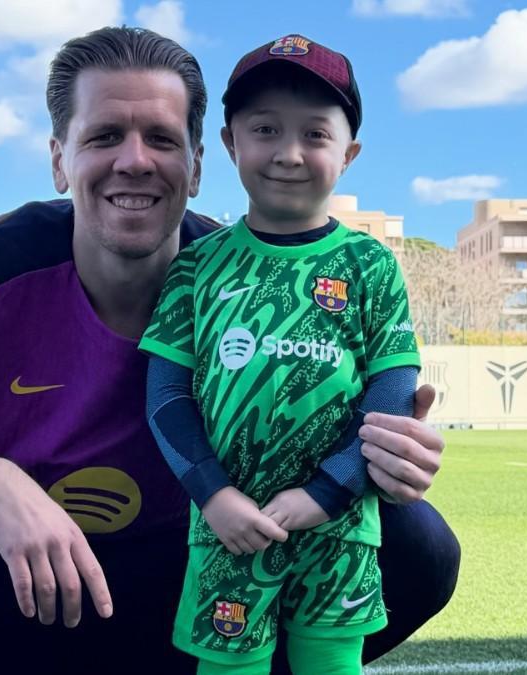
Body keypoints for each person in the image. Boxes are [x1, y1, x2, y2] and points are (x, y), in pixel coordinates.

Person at [0, 26, 459, 674]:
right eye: (104, 135)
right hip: (23, 590)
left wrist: (385, 451)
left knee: (416, 542)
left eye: (161, 138)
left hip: (201, 577)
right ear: (58, 158)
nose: (134, 160)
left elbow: (351, 421)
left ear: (195, 166)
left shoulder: (255, 277)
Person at [140, 34, 417, 675]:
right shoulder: (196, 266)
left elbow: (392, 393)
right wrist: (214, 497)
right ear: (232, 143)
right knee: (229, 665)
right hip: (228, 526)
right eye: (265, 130)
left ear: (347, 155)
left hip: (340, 524)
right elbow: (165, 396)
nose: (289, 154)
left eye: (315, 135)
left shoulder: (370, 265)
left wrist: (327, 492)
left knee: (330, 664)